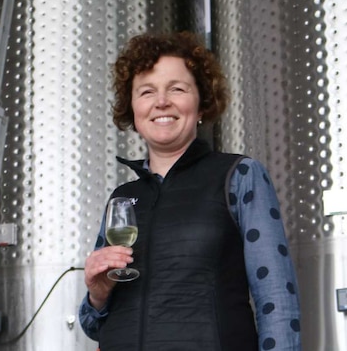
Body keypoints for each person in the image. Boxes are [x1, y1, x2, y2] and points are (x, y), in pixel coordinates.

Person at [78, 31, 302, 350]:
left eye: (177, 88)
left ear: (201, 105)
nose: (161, 101)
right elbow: (92, 324)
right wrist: (97, 293)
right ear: (133, 109)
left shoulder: (239, 176)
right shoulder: (123, 198)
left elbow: (277, 302)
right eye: (146, 92)